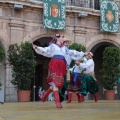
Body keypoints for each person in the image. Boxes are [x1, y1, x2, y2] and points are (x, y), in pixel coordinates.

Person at [33, 34, 85, 108]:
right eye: (62, 37)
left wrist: (83, 54)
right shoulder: (53, 46)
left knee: (55, 84)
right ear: (57, 38)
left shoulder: (65, 48)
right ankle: (57, 103)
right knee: (55, 82)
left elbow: (73, 53)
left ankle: (44, 97)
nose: (63, 39)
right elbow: (46, 49)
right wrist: (37, 48)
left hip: (62, 65)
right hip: (55, 64)